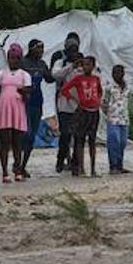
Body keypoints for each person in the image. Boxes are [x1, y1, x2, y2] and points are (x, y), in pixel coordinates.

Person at [0, 43, 31, 183]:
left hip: (17, 110)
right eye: (10, 58)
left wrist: (23, 92)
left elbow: (28, 96)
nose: (13, 60)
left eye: (15, 58)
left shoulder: (24, 75)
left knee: (17, 142)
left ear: (20, 59)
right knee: (4, 142)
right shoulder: (1, 74)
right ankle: (4, 172)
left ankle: (18, 170)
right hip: (4, 110)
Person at [60, 55, 103, 177]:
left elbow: (100, 91)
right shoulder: (78, 79)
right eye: (84, 64)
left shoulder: (96, 79)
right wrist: (75, 99)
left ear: (93, 66)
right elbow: (65, 89)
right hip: (83, 111)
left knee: (92, 140)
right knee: (80, 140)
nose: (85, 67)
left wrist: (98, 100)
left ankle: (93, 169)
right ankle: (82, 168)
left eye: (88, 64)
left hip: (94, 111)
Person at [17, 39, 51, 180]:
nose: (41, 52)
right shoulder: (23, 63)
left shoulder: (42, 64)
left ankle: (22, 166)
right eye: (39, 48)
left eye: (43, 49)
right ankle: (17, 163)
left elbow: (50, 79)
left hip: (37, 103)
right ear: (31, 49)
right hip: (24, 103)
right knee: (27, 134)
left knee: (31, 138)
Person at [50, 33, 82, 173]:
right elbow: (55, 75)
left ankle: (75, 163)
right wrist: (70, 66)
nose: (73, 52)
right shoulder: (61, 62)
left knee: (78, 135)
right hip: (64, 104)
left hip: (79, 105)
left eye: (75, 49)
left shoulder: (83, 61)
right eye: (71, 49)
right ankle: (60, 160)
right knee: (65, 134)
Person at [102, 64, 131, 175]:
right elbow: (104, 102)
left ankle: (120, 165)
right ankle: (113, 166)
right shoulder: (109, 87)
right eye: (115, 73)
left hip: (124, 118)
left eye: (119, 72)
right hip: (113, 118)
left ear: (123, 73)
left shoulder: (127, 86)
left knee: (122, 143)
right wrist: (109, 113)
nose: (117, 75)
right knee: (114, 142)